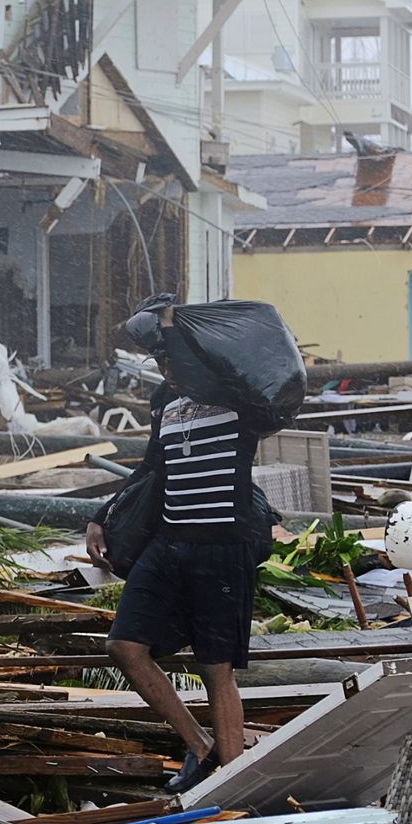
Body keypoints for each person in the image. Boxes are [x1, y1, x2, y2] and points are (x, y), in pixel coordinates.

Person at [87, 302, 271, 795]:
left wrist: (175, 328)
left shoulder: (239, 401)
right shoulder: (167, 403)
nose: (167, 369)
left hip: (222, 549)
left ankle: (230, 785)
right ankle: (199, 746)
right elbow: (150, 469)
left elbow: (264, 384)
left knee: (216, 669)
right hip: (168, 546)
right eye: (161, 362)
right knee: (125, 647)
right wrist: (101, 516)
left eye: (174, 360)